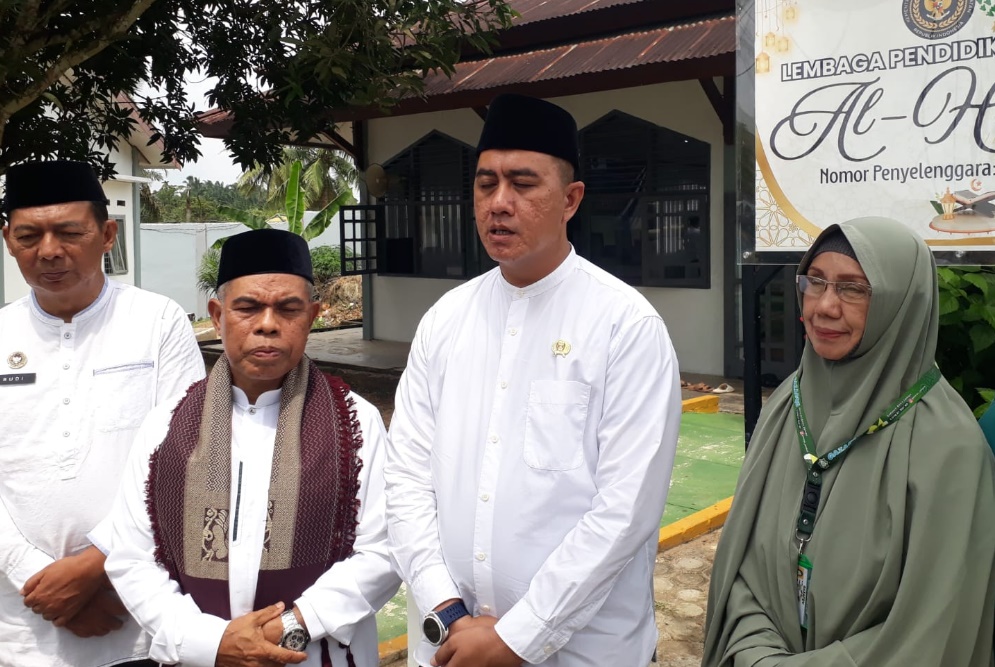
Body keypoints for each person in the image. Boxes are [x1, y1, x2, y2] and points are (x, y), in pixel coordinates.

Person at [384, 93, 682, 667]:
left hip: (583, 653)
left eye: (523, 184)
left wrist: (518, 636)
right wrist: (446, 608)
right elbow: (406, 477)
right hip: (450, 644)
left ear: (571, 199)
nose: (499, 203)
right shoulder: (445, 320)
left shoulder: (625, 325)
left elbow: (625, 511)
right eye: (486, 183)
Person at [702, 218, 995, 667]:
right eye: (815, 281)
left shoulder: (948, 448)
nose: (824, 306)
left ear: (902, 303)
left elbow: (933, 629)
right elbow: (742, 562)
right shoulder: (787, 407)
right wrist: (756, 652)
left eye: (853, 288)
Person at [104, 228, 401, 667]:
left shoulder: (356, 422)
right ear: (217, 315)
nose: (267, 324)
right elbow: (132, 556)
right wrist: (211, 642)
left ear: (312, 316)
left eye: (288, 309)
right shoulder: (166, 426)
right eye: (247, 308)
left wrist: (292, 626)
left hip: (316, 654)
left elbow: (384, 548)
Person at [0, 160, 206, 666]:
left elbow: (184, 460)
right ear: (8, 241)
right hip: (20, 627)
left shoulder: (158, 323)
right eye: (29, 236)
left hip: (137, 613)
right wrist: (33, 577)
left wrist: (99, 567)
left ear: (108, 234)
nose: (49, 250)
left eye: (70, 232)